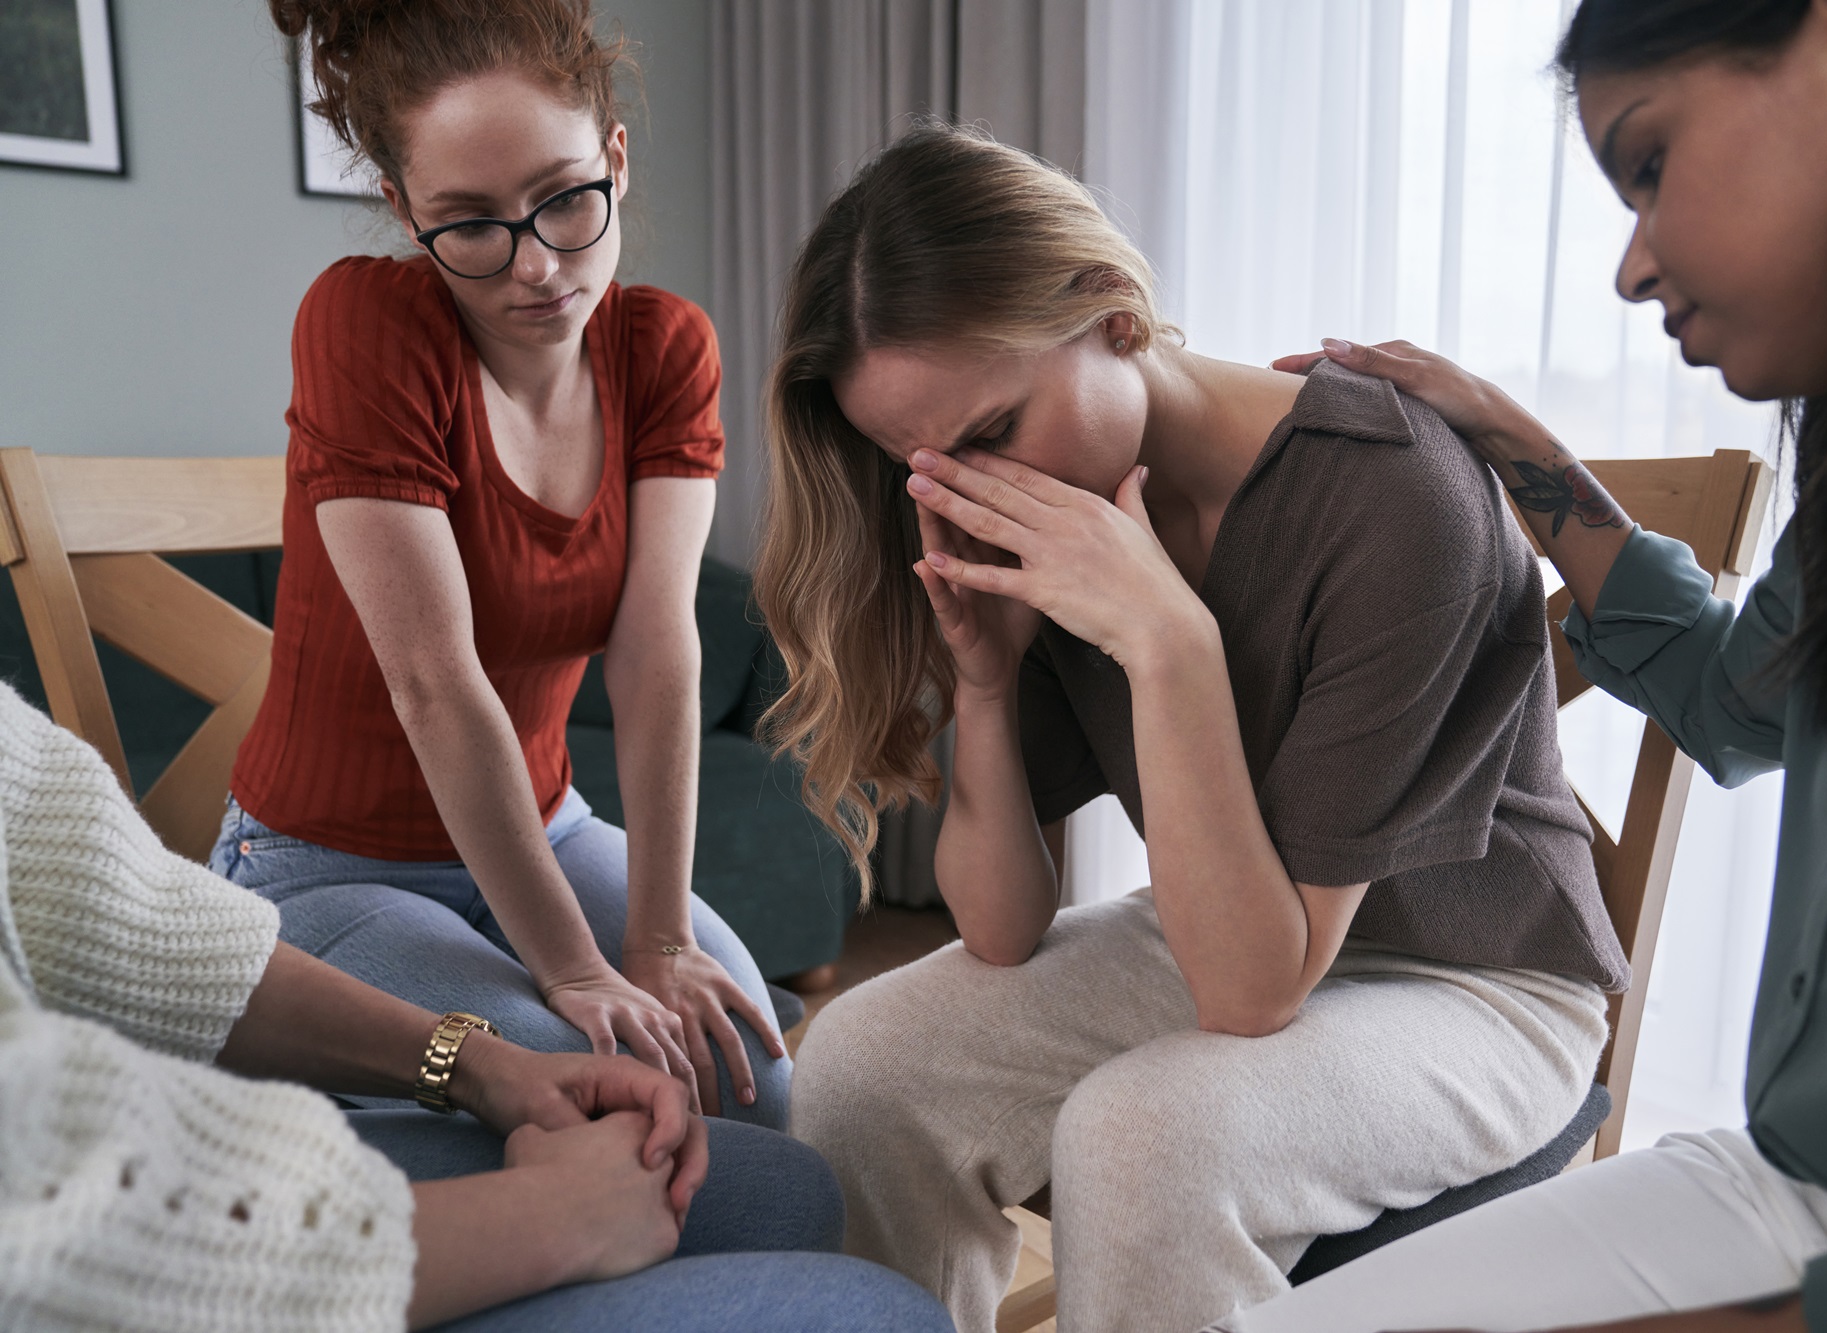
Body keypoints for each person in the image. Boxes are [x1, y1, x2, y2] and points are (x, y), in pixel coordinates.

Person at [755, 123, 1629, 1333]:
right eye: (923, 463)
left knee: (1143, 1139)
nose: (973, 494)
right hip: (1236, 930)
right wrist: (990, 692)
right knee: (855, 1066)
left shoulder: (1392, 493)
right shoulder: (1061, 509)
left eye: (991, 432)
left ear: (1115, 313)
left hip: (1478, 983)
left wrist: (1166, 642)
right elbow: (1001, 931)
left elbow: (1250, 992)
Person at [1221, 1, 1827, 1330]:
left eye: (1651, 164)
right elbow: (1733, 701)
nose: (1632, 269)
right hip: (1790, 1180)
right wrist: (1505, 431)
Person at [219, 0, 788, 1128]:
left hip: (544, 823)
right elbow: (435, 681)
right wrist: (579, 974)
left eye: (565, 198)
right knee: (594, 1099)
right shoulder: (365, 326)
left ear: (614, 161)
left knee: (749, 1084)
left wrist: (659, 941)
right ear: (401, 209)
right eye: (470, 224)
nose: (536, 266)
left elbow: (657, 652)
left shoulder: (665, 349)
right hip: (322, 864)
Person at [0, 683, 953, 1331]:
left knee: (782, 1177)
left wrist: (481, 1065)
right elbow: (53, 1242)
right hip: (146, 1250)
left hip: (137, 1134)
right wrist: (543, 1216)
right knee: (880, 1315)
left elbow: (140, 925)